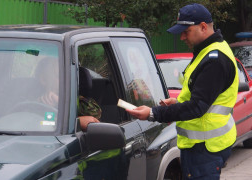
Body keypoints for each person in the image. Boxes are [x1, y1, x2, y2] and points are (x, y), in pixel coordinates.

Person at [126, 3, 239, 180]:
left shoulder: (215, 60)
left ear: (203, 27)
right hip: (201, 146)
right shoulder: (207, 52)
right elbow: (204, 98)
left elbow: (197, 107)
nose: (182, 37)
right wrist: (178, 102)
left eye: (186, 31)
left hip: (205, 148)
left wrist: (154, 113)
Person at [36, 57, 100, 131]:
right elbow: (31, 122)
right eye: (60, 75)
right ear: (43, 79)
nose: (66, 79)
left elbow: (95, 113)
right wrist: (37, 104)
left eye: (66, 75)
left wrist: (61, 102)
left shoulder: (73, 98)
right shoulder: (31, 99)